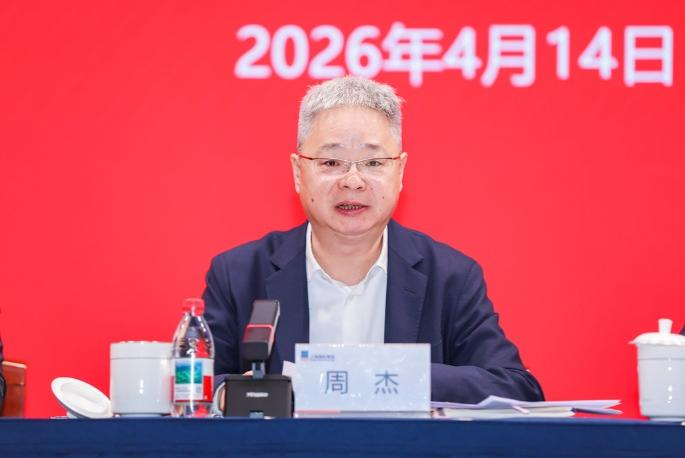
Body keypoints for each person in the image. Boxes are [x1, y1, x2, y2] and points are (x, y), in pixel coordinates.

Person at [203, 76, 544, 403]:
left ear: (400, 171)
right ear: (298, 172)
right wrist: (232, 394)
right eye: (331, 161)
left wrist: (390, 378)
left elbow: (515, 387)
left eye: (374, 162)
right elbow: (192, 383)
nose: (353, 181)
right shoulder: (239, 274)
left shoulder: (451, 277)